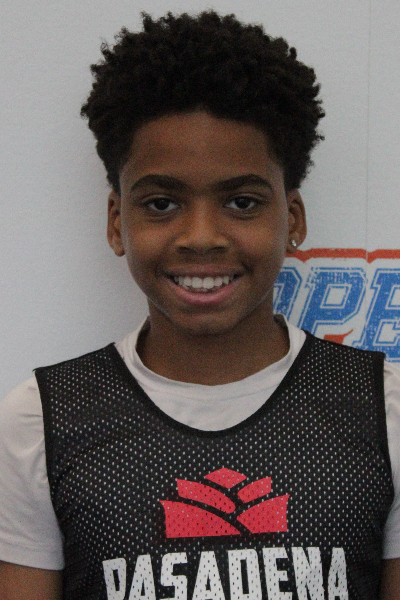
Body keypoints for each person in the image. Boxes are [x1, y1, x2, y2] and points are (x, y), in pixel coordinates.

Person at [0, 10, 399, 600]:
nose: (202, 236)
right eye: (162, 204)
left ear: (292, 219)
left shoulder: (384, 411)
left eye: (241, 202)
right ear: (117, 221)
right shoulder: (42, 422)